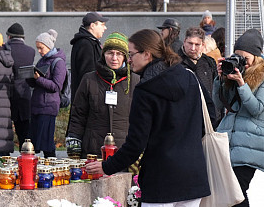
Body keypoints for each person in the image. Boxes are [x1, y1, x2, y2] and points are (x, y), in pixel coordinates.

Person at [86, 29, 212, 206]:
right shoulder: (188, 76)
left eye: (131, 54)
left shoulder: (146, 89)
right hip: (193, 174)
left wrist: (107, 166)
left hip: (161, 179)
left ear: (147, 54)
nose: (128, 60)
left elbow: (136, 143)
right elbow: (211, 116)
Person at [213, 28, 264, 207]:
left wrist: (242, 84)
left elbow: (256, 109)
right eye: (238, 56)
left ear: (256, 58)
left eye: (246, 58)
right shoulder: (234, 73)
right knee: (229, 194)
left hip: (250, 146)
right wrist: (219, 79)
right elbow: (219, 105)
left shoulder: (262, 77)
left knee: (237, 193)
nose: (243, 62)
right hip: (229, 142)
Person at [67, 32, 139, 158]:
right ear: (103, 54)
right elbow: (78, 113)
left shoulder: (135, 81)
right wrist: (74, 140)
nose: (114, 58)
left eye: (119, 54)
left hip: (124, 150)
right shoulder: (89, 79)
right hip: (93, 149)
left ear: (126, 57)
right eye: (110, 53)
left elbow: (141, 117)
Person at [28, 29, 66, 158]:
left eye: (41, 48)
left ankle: (51, 167)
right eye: (37, 48)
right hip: (38, 105)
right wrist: (30, 78)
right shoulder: (42, 61)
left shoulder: (58, 62)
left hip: (48, 106)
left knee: (46, 143)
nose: (39, 51)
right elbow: (38, 83)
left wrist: (39, 79)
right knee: (37, 141)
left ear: (49, 46)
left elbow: (56, 86)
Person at [179, 27, 221, 127]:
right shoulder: (175, 62)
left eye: (197, 44)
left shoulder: (209, 62)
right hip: (186, 120)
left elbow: (216, 89)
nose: (193, 48)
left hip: (209, 119)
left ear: (203, 45)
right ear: (184, 42)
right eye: (190, 43)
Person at [5, 22, 35, 147]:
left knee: (4, 130)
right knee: (24, 130)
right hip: (24, 93)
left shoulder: (5, 49)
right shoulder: (31, 51)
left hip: (7, 93)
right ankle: (26, 155)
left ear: (9, 36)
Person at [70, 12, 108, 103]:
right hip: (88, 100)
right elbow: (87, 75)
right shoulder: (85, 44)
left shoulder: (90, 42)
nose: (105, 28)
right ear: (92, 26)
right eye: (102, 25)